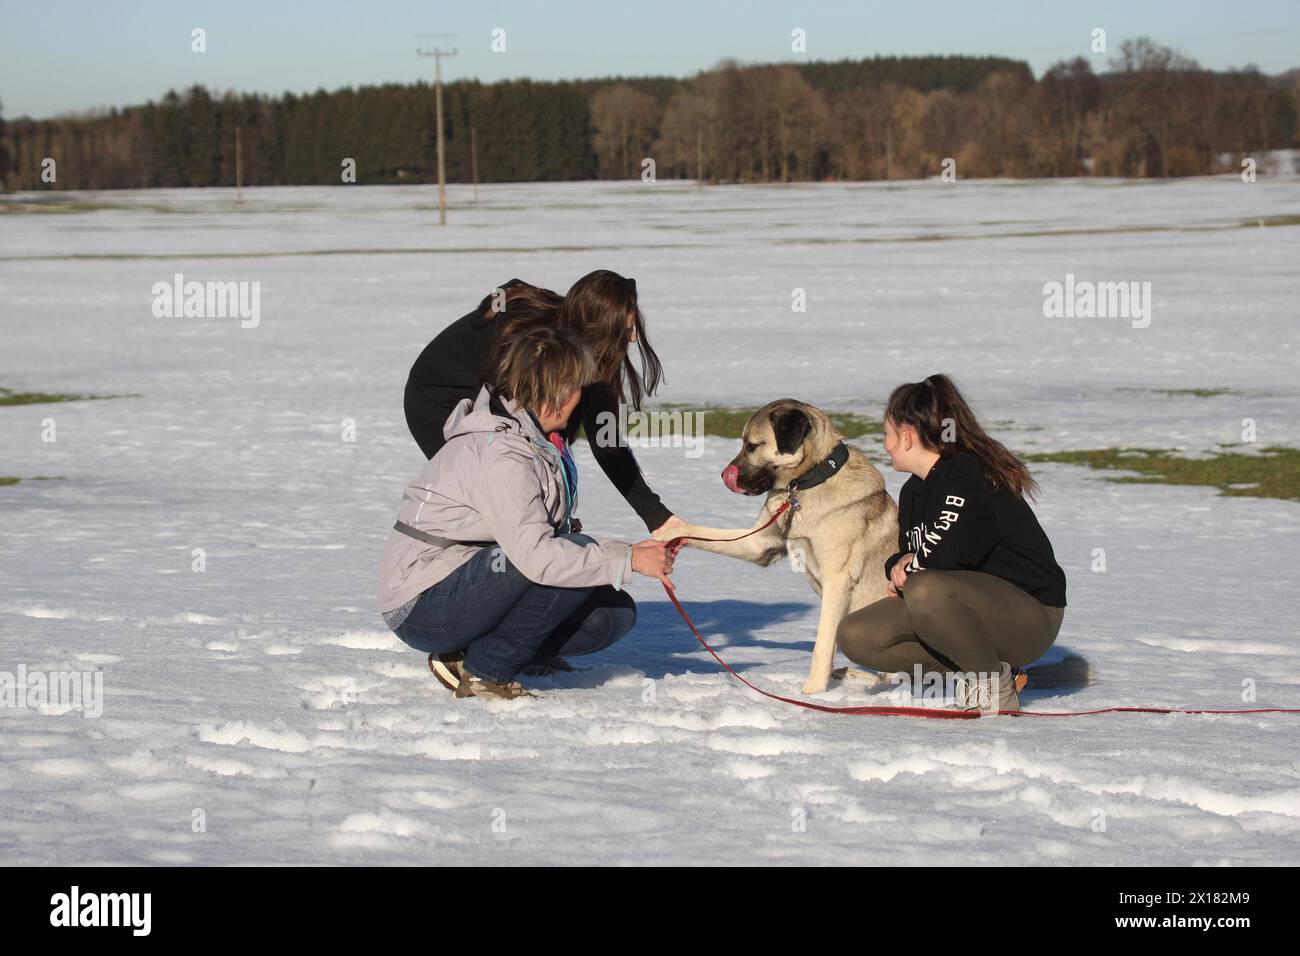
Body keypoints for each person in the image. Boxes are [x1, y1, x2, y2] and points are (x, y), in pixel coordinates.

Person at [378, 325, 676, 699]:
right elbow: (537, 558)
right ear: (555, 394)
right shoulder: (501, 453)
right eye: (577, 389)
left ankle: (476, 653)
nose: (581, 399)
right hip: (423, 604)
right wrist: (629, 557)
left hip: (468, 580)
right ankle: (488, 670)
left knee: (610, 615)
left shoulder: (534, 438)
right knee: (558, 560)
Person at [835, 375, 1067, 713]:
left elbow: (952, 551)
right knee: (857, 634)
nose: (885, 445)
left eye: (886, 434)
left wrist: (912, 569)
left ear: (906, 435)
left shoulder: (965, 475)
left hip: (1030, 616)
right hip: (966, 608)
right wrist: (897, 566)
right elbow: (913, 552)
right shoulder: (914, 490)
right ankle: (989, 669)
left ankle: (993, 690)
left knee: (926, 589)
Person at [403, 270, 685, 536]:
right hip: (437, 400)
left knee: (527, 480)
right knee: (498, 484)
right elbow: (519, 437)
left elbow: (605, 436)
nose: (634, 338)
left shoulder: (584, 349)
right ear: (601, 328)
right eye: (624, 331)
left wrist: (656, 517)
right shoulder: (537, 344)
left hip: (493, 401)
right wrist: (543, 516)